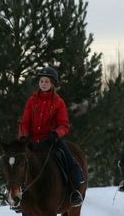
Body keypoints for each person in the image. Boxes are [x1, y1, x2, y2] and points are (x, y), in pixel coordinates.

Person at [18, 66, 84, 207]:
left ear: (53, 83)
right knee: (16, 163)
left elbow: (64, 125)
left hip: (51, 141)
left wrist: (55, 134)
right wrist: (23, 137)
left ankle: (75, 193)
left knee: (70, 161)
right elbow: (24, 123)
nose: (43, 83)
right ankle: (18, 197)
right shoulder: (31, 101)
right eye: (41, 81)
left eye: (47, 81)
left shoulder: (59, 103)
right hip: (32, 141)